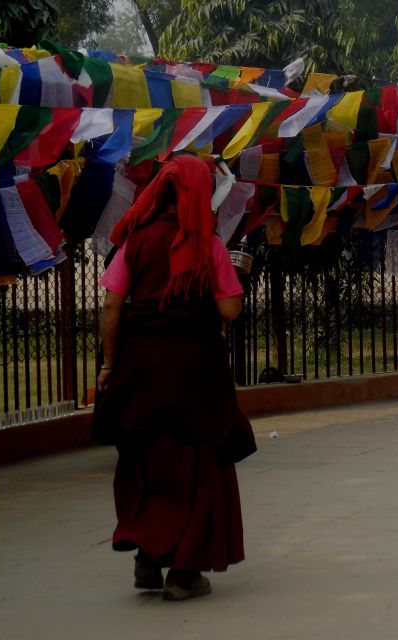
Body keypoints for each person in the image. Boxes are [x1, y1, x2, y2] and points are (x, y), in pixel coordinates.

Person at [92, 155, 256, 601]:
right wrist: (237, 279)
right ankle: (183, 574)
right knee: (198, 465)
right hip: (195, 373)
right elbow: (228, 310)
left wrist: (109, 364)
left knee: (144, 457)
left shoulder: (136, 240)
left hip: (140, 369)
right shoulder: (209, 246)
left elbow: (111, 306)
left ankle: (147, 555)